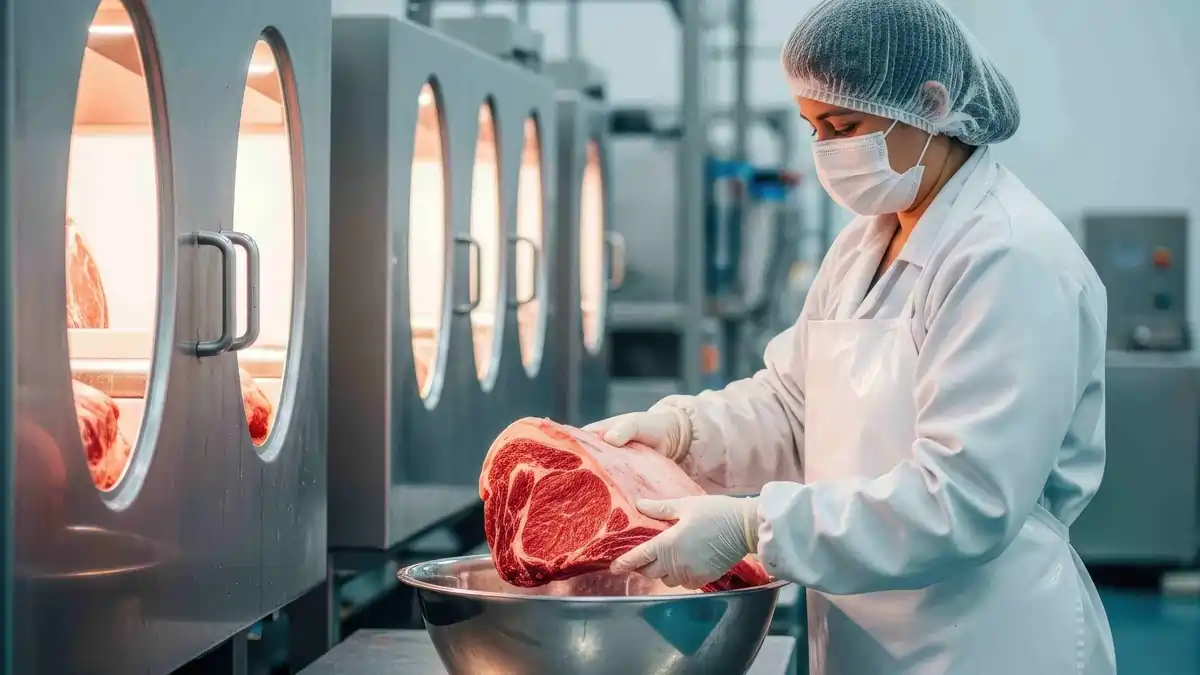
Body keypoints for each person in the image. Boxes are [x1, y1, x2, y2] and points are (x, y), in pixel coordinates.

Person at [586, 0, 1117, 672]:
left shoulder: (1008, 257)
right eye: (813, 128)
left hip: (982, 640)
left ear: (930, 103)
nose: (827, 152)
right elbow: (794, 405)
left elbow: (966, 499)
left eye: (843, 125)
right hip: (863, 632)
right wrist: (685, 431)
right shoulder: (865, 242)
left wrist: (754, 525)